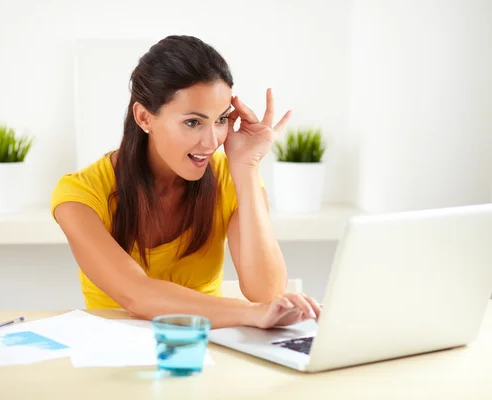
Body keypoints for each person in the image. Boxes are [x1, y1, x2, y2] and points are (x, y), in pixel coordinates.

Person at [51, 35, 321, 329]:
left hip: (207, 350)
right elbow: (136, 295)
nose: (211, 142)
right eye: (193, 122)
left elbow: (267, 293)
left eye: (220, 120)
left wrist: (246, 167)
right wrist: (250, 313)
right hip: (116, 355)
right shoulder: (80, 194)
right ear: (144, 117)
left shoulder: (229, 177)